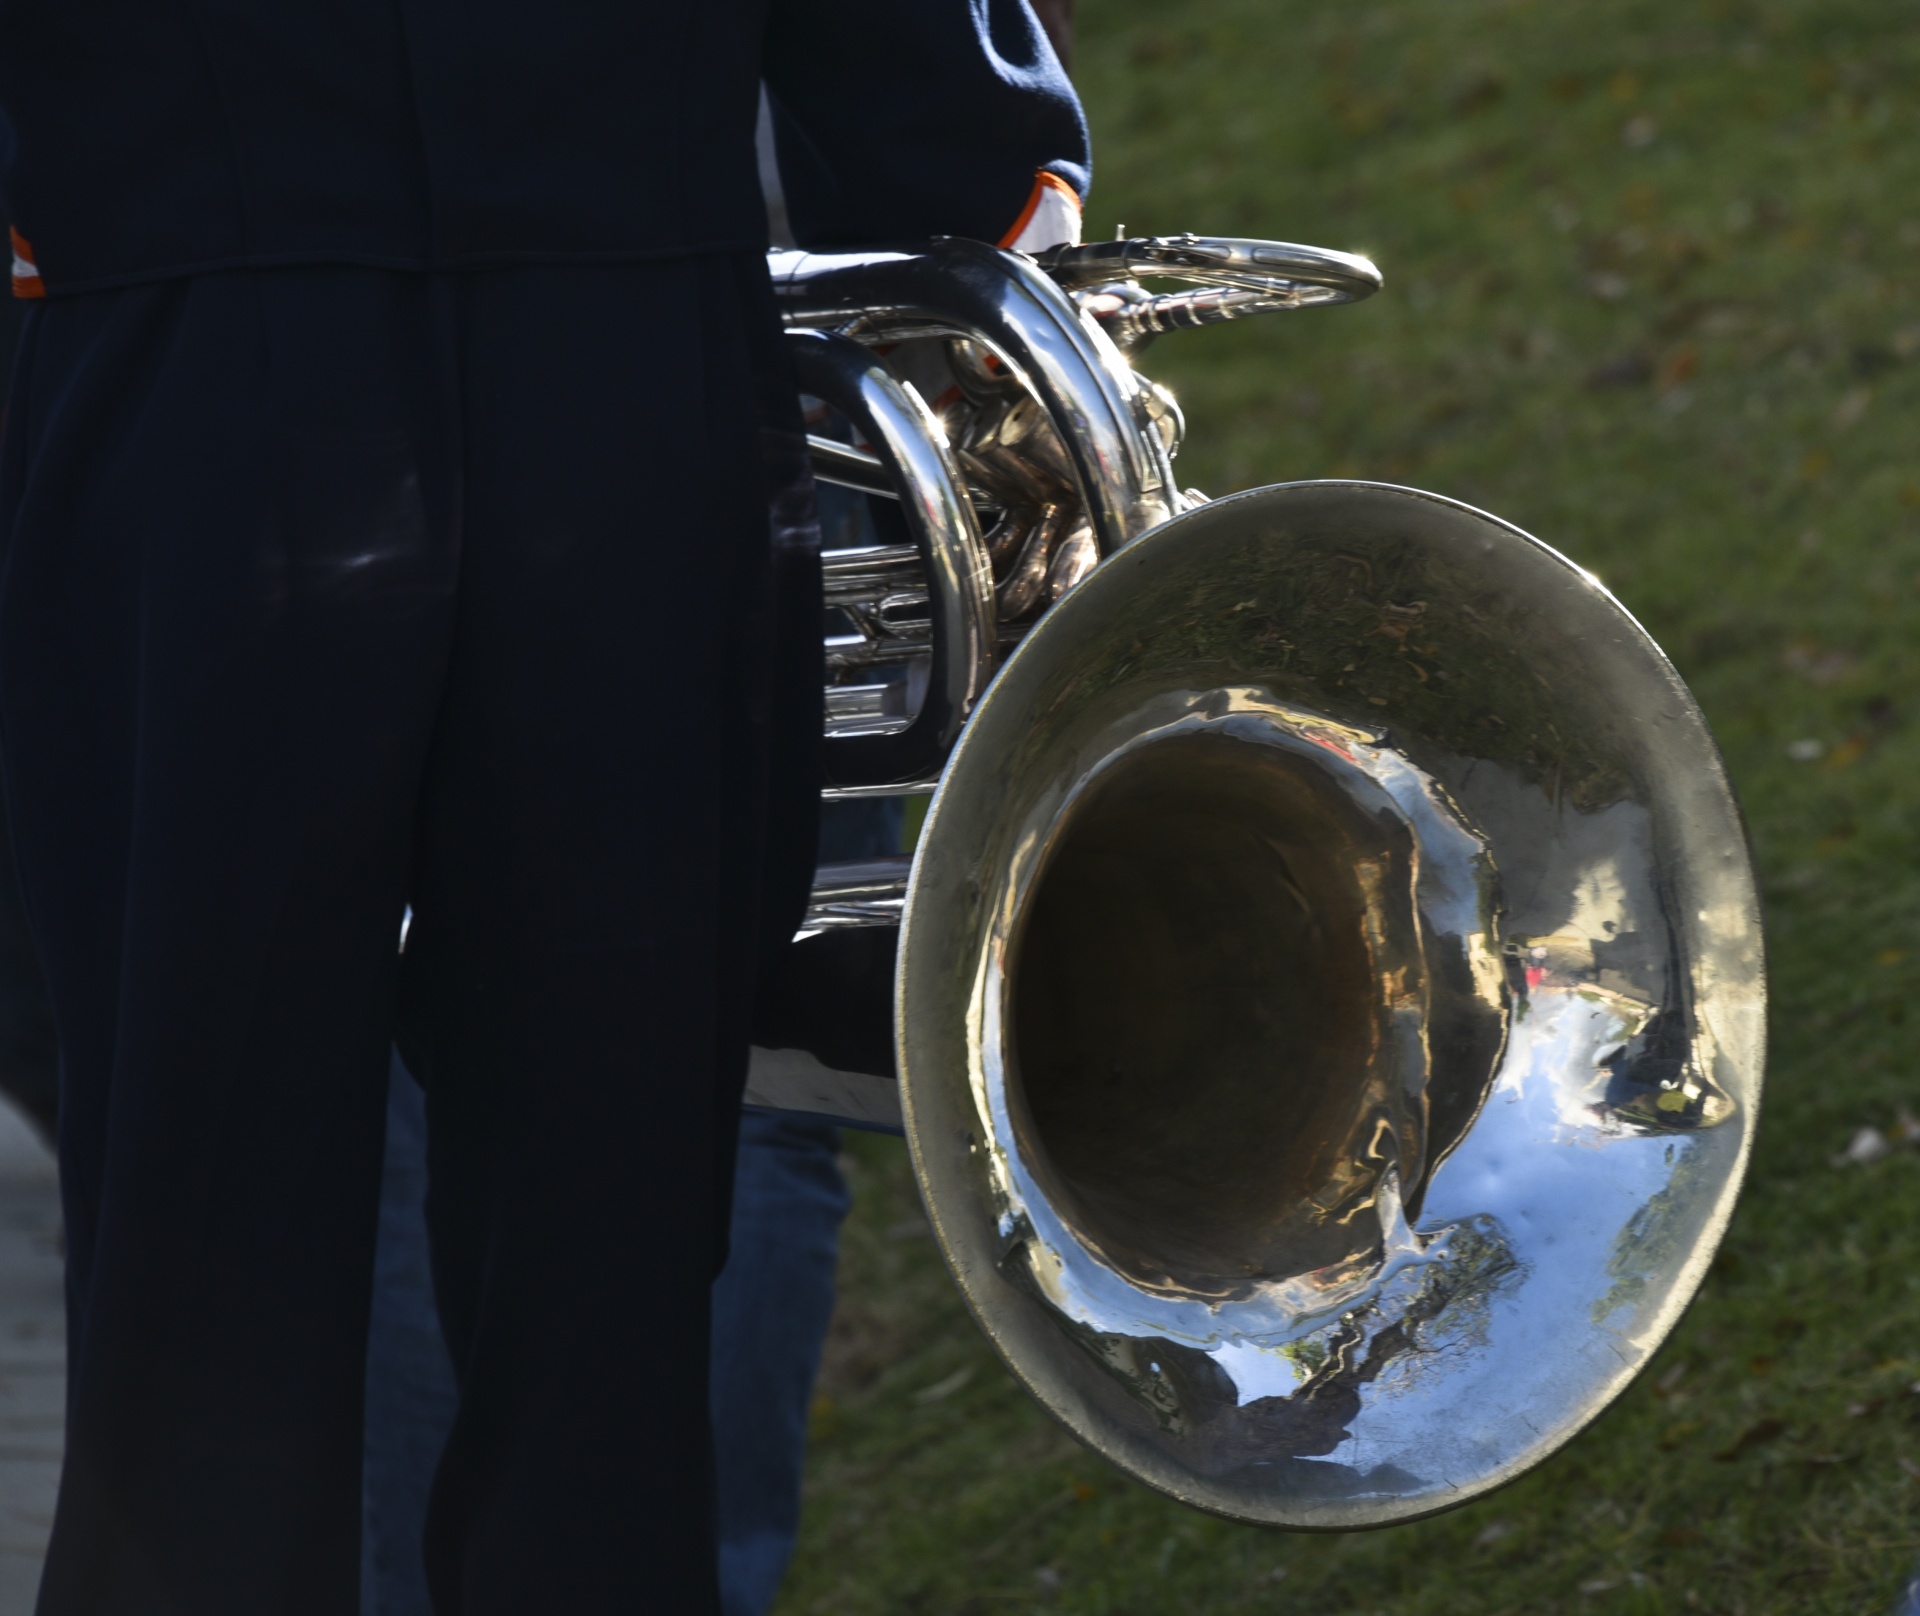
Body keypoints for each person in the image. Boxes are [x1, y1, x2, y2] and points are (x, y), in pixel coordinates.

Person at [0, 5, 1087, 1613]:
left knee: (223, 1227)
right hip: (612, 353)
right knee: (601, 1248)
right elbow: (936, 109)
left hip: (202, 343)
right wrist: (966, 179)